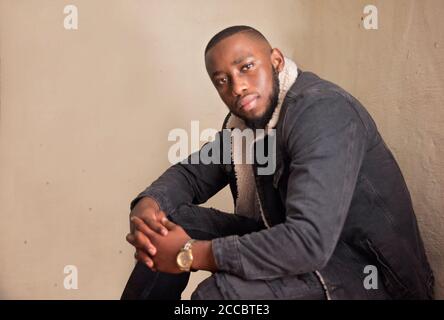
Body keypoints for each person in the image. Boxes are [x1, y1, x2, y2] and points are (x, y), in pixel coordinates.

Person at [121, 25, 434, 300]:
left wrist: (191, 255)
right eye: (222, 80)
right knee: (166, 224)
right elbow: (190, 175)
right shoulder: (244, 125)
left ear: (276, 61)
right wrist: (147, 208)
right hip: (295, 246)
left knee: (218, 297)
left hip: (367, 274)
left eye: (246, 67)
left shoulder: (322, 113)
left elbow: (308, 241)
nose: (237, 86)